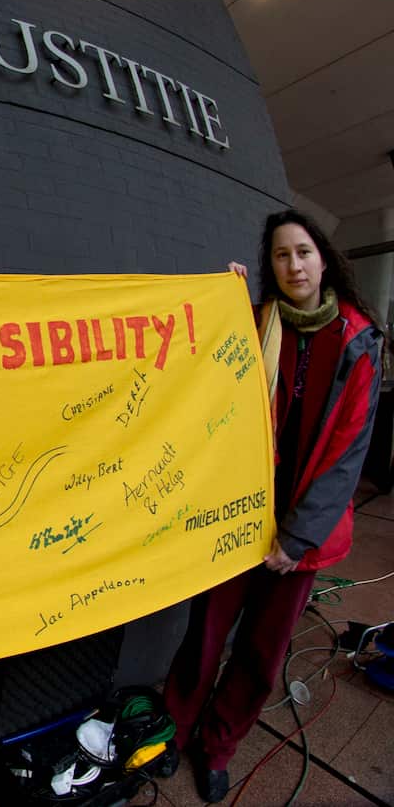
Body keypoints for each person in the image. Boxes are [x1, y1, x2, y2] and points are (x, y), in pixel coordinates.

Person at [163, 209, 383, 802]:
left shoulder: (357, 340)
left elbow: (348, 454)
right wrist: (223, 302)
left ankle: (218, 746)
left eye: (303, 252)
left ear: (324, 258)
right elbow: (209, 375)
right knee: (204, 635)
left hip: (302, 534)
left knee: (262, 652)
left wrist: (298, 537)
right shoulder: (258, 322)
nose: (294, 265)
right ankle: (175, 732)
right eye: (281, 256)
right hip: (240, 517)